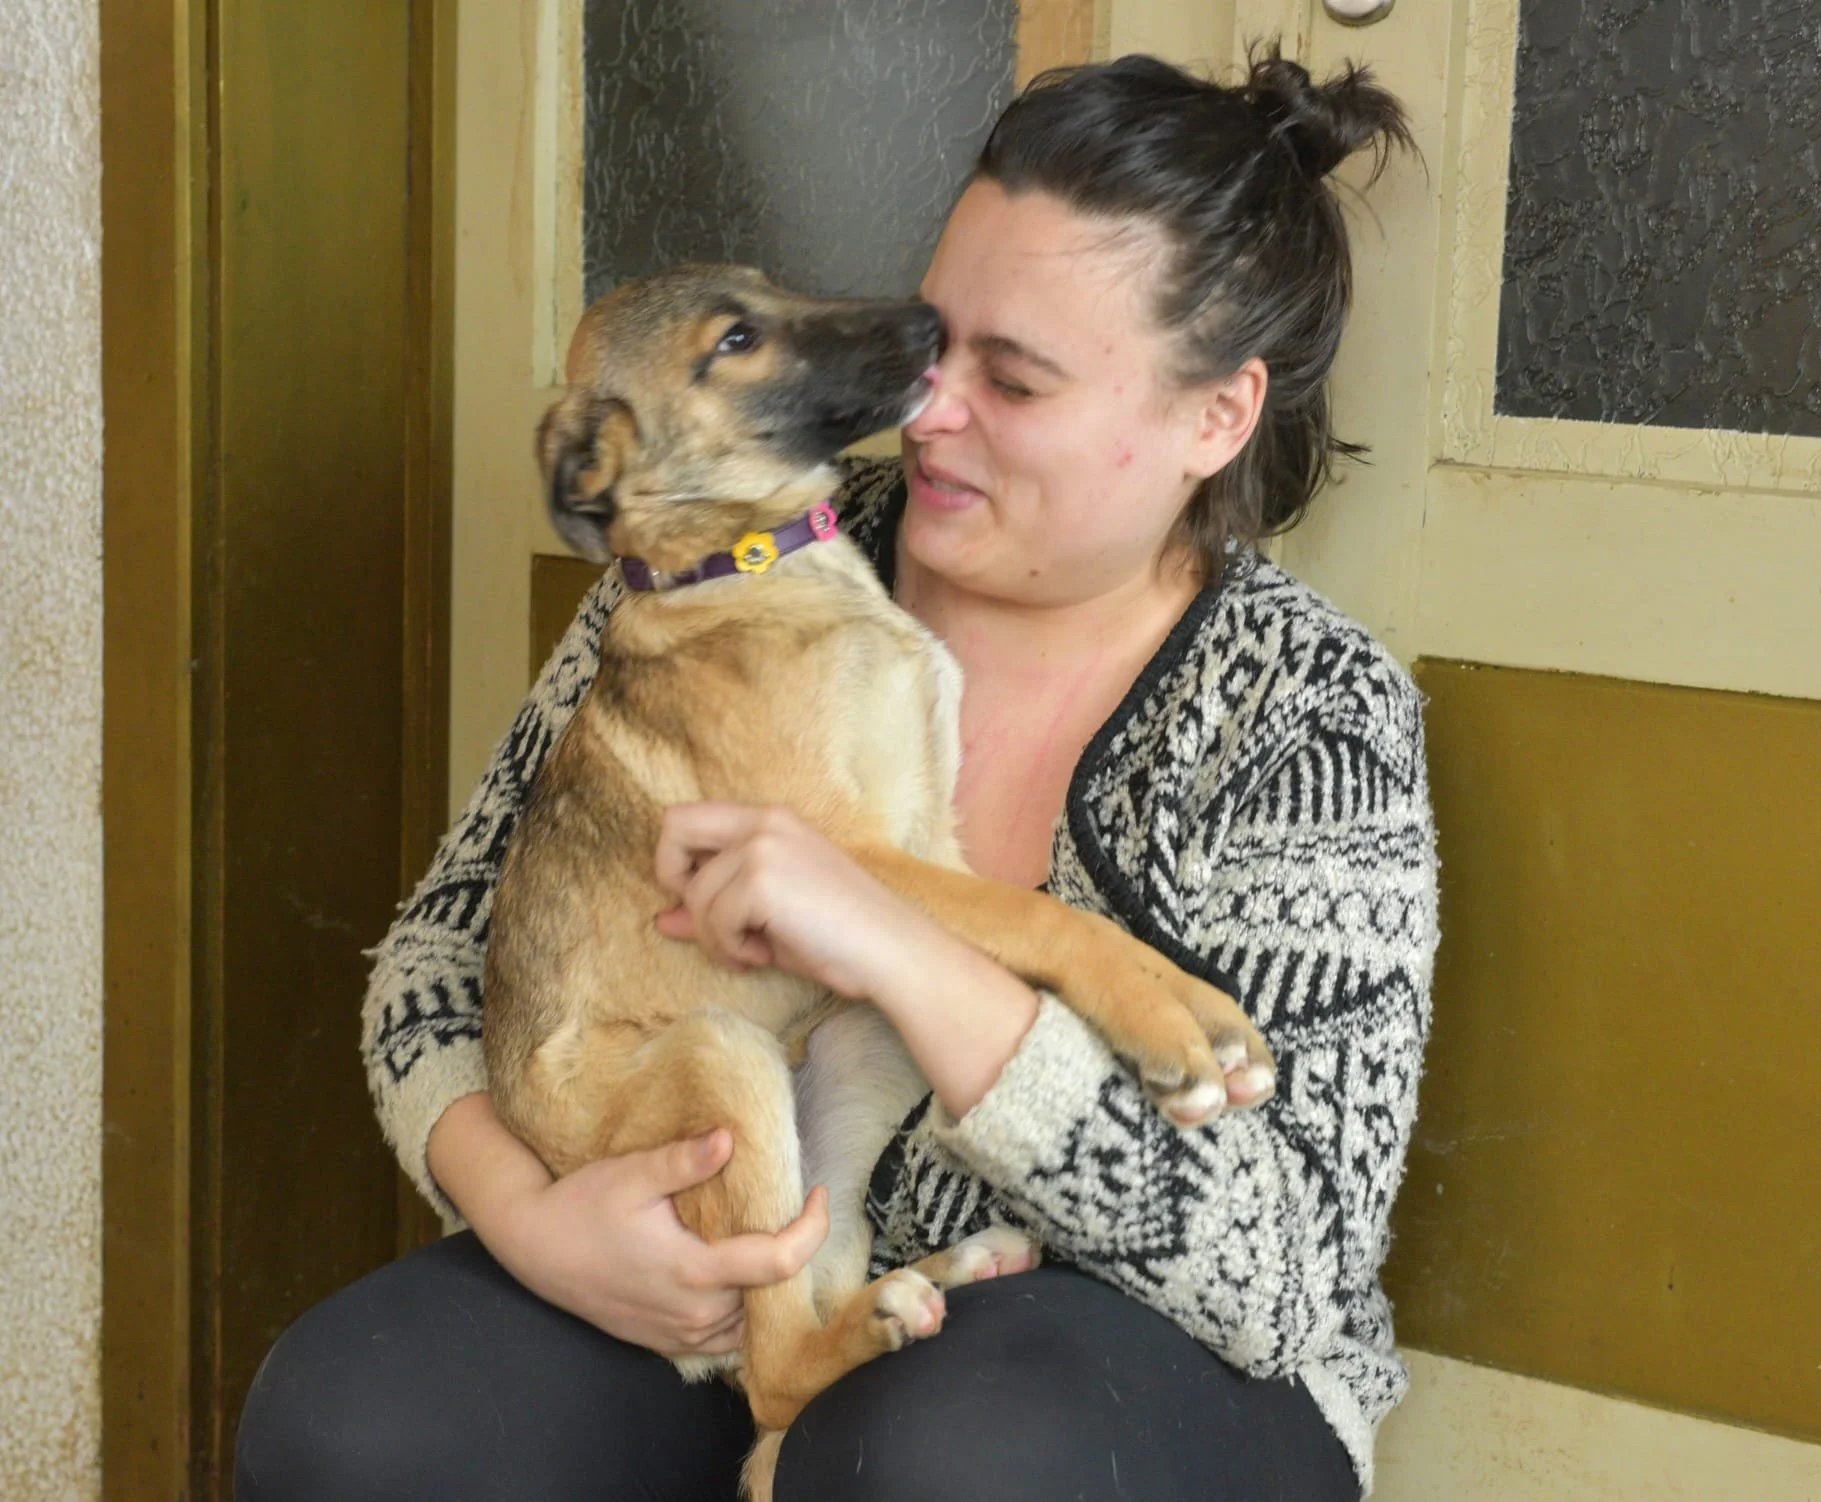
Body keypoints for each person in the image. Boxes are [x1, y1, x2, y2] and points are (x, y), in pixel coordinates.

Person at [236, 48, 1437, 1502]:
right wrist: (533, 1222)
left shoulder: (1307, 713)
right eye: (940, 343)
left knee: (926, 1463)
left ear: (1216, 417)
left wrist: (899, 947)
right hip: (756, 1280)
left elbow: (1279, 1273)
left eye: (1014, 381)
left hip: (1130, 1369)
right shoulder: (729, 553)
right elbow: (437, 962)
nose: (925, 409)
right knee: (353, 1416)